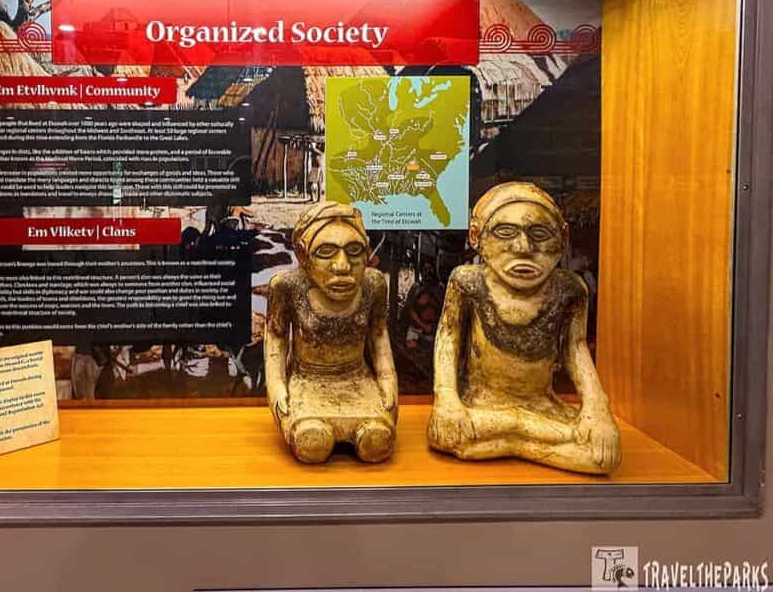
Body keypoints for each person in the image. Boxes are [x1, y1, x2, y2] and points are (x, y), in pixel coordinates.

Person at [427, 182, 620, 474]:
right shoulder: (468, 282)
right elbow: (448, 339)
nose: (523, 248)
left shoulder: (569, 290)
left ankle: (514, 440)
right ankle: (523, 439)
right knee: (451, 435)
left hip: (540, 407)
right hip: (482, 405)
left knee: (604, 455)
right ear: (477, 236)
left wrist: (596, 408)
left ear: (563, 238)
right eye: (505, 233)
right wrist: (447, 400)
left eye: (539, 234)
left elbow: (575, 349)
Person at [264, 202, 398, 463]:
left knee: (376, 440)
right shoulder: (288, 286)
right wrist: (277, 387)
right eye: (326, 252)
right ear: (303, 256)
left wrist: (387, 378)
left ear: (367, 252)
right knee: (312, 443)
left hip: (358, 382)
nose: (342, 266)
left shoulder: (373, 284)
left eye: (354, 251)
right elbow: (276, 340)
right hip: (307, 382)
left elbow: (379, 335)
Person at [403, 256, 445, 350]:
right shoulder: (416, 287)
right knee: (412, 346)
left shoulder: (440, 288)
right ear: (422, 271)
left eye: (430, 269)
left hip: (434, 330)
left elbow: (443, 309)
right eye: (425, 269)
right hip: (417, 329)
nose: (428, 272)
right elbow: (410, 310)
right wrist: (423, 326)